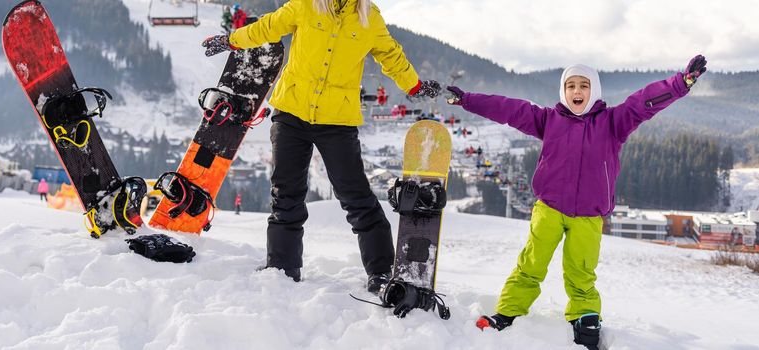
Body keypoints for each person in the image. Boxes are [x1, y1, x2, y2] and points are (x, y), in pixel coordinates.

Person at [447, 55, 707, 349]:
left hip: (588, 215)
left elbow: (643, 103)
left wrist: (680, 83)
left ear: (593, 90)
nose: (577, 91)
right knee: (530, 264)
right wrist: (467, 100)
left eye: (583, 85)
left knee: (581, 271)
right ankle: (508, 312)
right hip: (549, 209)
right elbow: (507, 109)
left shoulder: (613, 122)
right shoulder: (548, 120)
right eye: (570, 85)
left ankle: (585, 318)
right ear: (563, 91)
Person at [201, 0, 441, 292]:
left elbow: (391, 55)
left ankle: (380, 271)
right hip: (291, 112)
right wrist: (231, 40)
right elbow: (268, 27)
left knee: (356, 197)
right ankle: (283, 267)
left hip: (337, 121)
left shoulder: (369, 17)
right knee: (285, 193)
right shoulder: (305, 5)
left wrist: (414, 86)